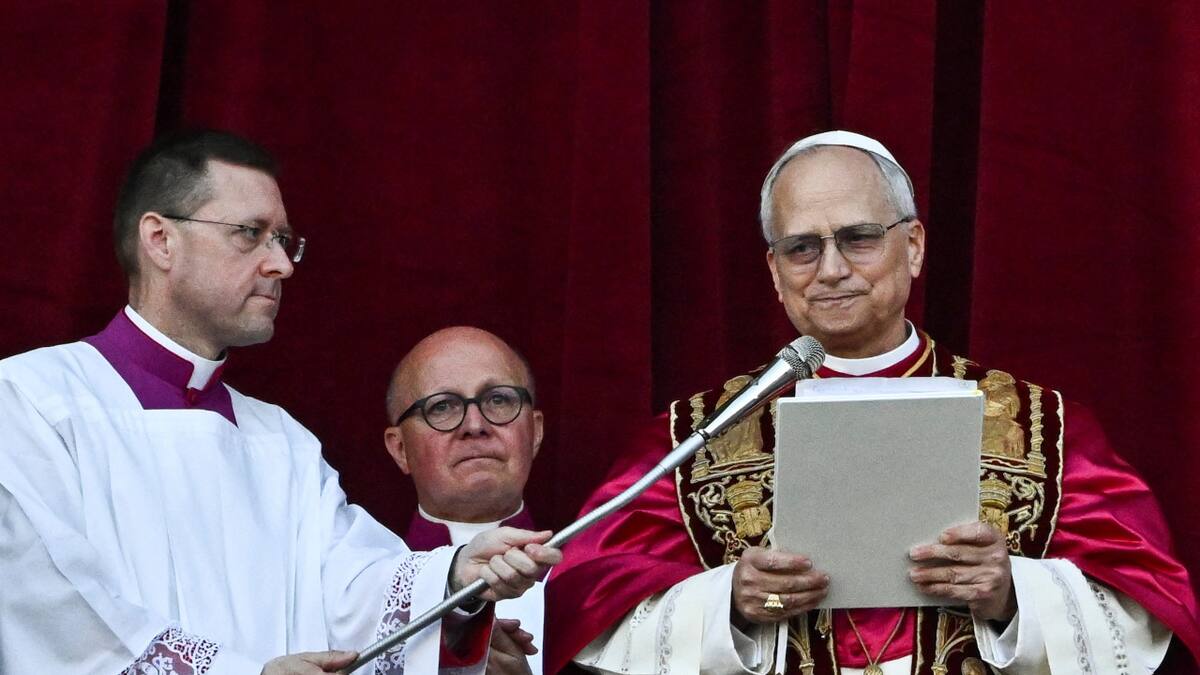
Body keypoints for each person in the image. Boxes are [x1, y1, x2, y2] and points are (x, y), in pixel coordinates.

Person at [544, 131, 1200, 674]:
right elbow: (586, 601)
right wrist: (730, 604)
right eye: (802, 247)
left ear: (912, 246)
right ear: (774, 272)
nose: (831, 269)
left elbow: (1147, 606)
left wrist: (1011, 593)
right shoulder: (700, 434)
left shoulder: (1039, 425)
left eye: (858, 237)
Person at [0, 130, 560, 675]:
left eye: (283, 240)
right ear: (160, 240)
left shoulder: (280, 440)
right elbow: (50, 607)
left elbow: (351, 590)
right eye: (250, 233)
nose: (281, 265)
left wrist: (454, 584)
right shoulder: (31, 402)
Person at [384, 326, 548, 675]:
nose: (475, 425)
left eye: (499, 400)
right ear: (400, 449)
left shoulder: (595, 581)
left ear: (535, 432)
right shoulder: (359, 587)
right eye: (442, 406)